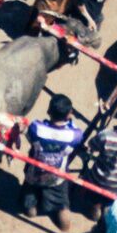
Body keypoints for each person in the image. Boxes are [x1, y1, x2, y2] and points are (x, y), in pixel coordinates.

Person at [12, 93, 88, 222]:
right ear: (69, 113)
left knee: (28, 205)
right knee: (61, 202)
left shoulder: (36, 128)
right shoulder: (75, 135)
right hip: (56, 178)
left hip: (34, 176)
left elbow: (28, 133)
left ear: (48, 111)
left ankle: (31, 208)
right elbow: (78, 141)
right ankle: (61, 211)